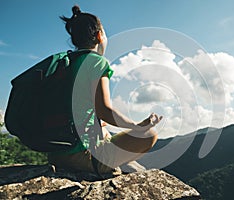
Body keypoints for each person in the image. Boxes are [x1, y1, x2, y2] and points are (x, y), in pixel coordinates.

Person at [48, 5, 163, 175]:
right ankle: (104, 165)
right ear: (99, 36)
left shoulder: (66, 63)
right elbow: (105, 111)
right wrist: (137, 127)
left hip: (56, 153)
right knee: (149, 135)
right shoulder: (96, 62)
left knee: (103, 128)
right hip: (83, 155)